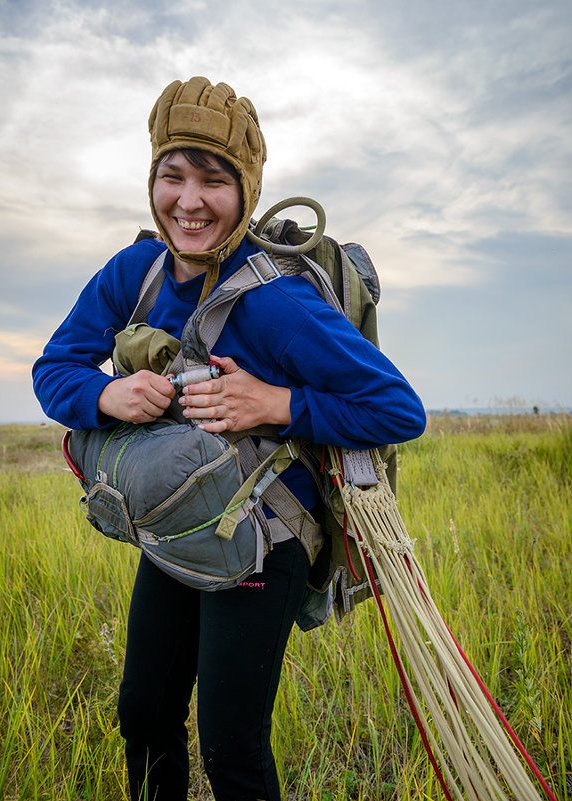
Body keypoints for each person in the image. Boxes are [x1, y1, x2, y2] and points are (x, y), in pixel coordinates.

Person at [33, 77, 426, 801]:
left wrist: (276, 402)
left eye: (213, 180)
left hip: (265, 535)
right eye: (172, 175)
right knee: (143, 712)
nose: (188, 201)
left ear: (246, 191)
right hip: (178, 527)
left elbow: (397, 408)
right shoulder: (135, 272)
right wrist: (106, 394)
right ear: (151, 179)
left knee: (230, 745)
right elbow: (54, 368)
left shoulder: (277, 302)